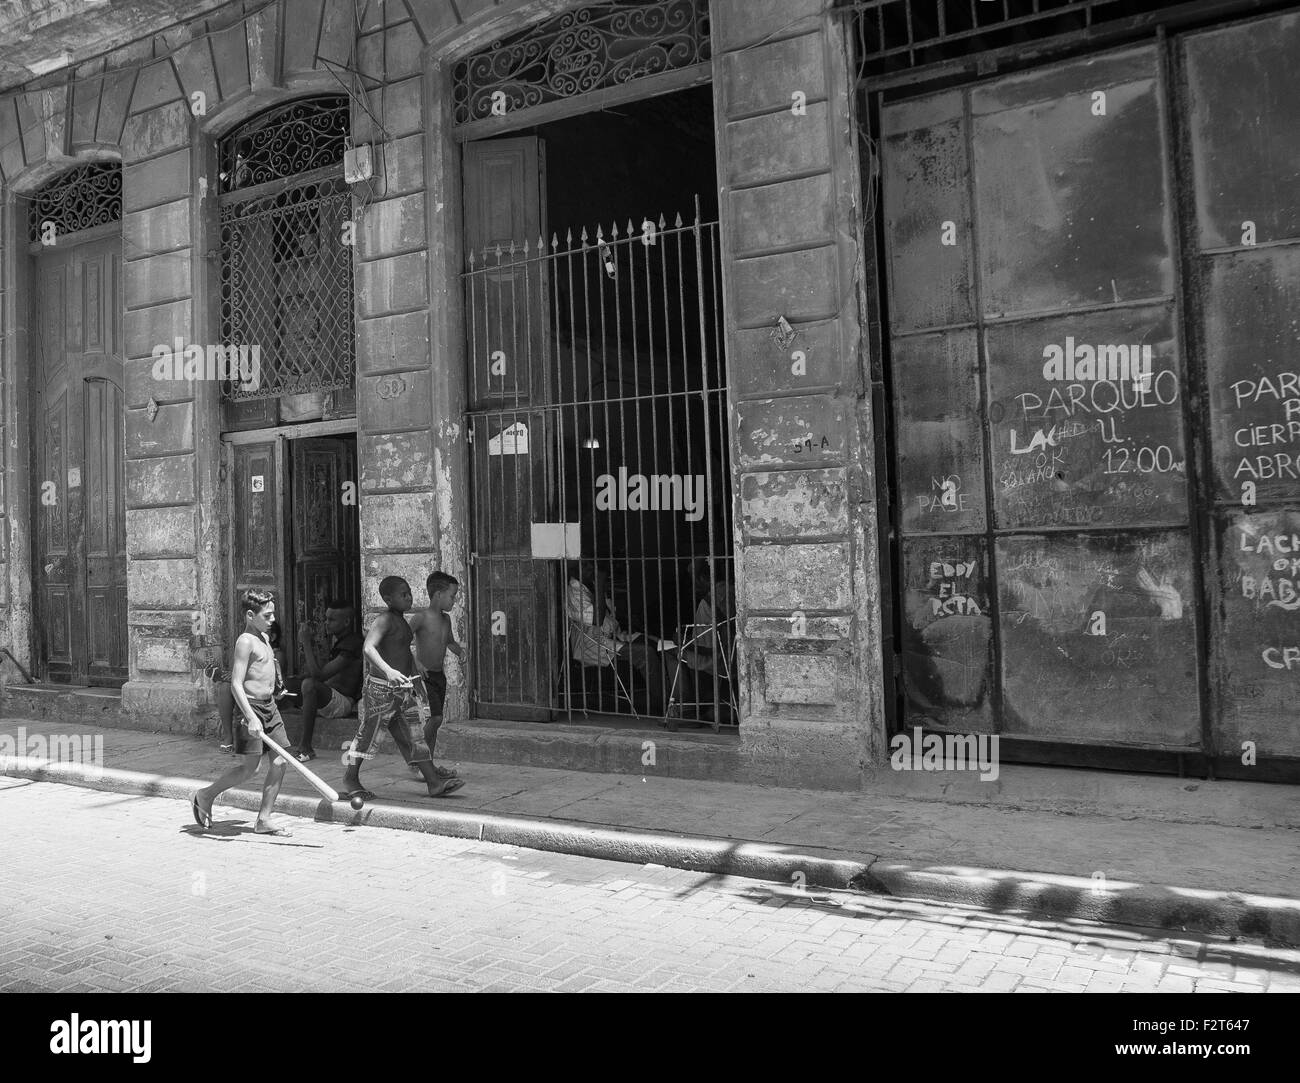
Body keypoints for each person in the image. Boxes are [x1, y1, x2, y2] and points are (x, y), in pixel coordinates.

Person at [339, 575, 464, 801]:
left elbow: (405, 653)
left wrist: (415, 678)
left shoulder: (403, 623)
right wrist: (388, 671)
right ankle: (350, 777)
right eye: (403, 594)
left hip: (403, 690)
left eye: (409, 593)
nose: (409, 598)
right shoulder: (385, 620)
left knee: (416, 737)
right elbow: (369, 648)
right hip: (381, 691)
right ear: (388, 598)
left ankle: (434, 783)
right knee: (368, 735)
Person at [190, 589, 294, 837]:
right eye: (267, 616)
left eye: (273, 615)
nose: (272, 620)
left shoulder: (265, 639)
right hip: (251, 708)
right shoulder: (245, 641)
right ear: (250, 615)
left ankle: (264, 819)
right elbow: (236, 683)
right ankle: (204, 795)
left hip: (270, 707)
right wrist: (250, 717)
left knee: (280, 760)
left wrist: (276, 689)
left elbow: (262, 671)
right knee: (251, 769)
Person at [564, 559, 672, 715]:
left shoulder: (590, 586)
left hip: (613, 636)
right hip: (591, 644)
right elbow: (597, 619)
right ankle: (665, 707)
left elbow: (612, 617)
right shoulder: (574, 591)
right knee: (645, 653)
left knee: (657, 644)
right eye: (585, 565)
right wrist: (600, 584)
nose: (591, 568)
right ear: (574, 570)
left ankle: (674, 698)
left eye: (591, 564)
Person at [286, 600, 364, 763]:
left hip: (342, 704)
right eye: (326, 619)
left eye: (331, 620)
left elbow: (318, 676)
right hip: (327, 698)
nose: (326, 623)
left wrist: (306, 642)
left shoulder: (353, 643)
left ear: (347, 622)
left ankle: (305, 747)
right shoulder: (337, 641)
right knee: (283, 684)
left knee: (309, 684)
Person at [409, 571, 464, 782]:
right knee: (436, 718)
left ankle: (426, 762)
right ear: (438, 594)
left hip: (439, 676)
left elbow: (449, 641)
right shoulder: (420, 618)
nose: (454, 600)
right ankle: (418, 759)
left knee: (436, 720)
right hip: (424, 677)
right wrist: (417, 663)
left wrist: (461, 652)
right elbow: (401, 640)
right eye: (452, 596)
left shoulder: (446, 619)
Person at [203, 622, 286, 755]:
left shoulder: (277, 654)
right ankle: (228, 736)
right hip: (248, 694)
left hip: (267, 697)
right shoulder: (248, 647)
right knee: (225, 687)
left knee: (272, 763)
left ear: (273, 636)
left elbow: (266, 679)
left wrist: (231, 677)